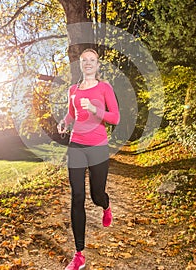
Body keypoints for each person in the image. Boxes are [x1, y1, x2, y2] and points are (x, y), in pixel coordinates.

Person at [57, 48, 120, 270]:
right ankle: (79, 253)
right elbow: (71, 114)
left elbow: (115, 117)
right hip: (76, 145)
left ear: (97, 64)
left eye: (92, 60)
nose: (88, 63)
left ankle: (106, 204)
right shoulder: (73, 90)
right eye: (84, 60)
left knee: (96, 195)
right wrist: (64, 122)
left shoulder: (104, 88)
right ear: (80, 64)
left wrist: (95, 109)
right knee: (77, 196)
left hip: (98, 147)